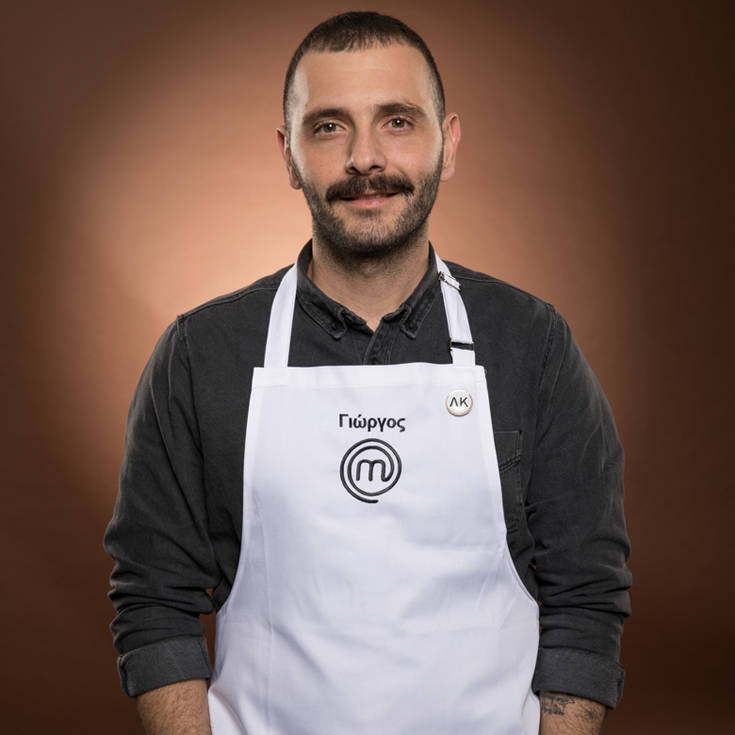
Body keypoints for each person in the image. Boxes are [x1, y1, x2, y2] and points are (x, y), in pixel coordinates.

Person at [104, 11, 631, 735]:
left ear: (447, 143)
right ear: (289, 155)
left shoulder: (532, 344)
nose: (364, 158)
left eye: (397, 121)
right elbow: (153, 600)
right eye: (328, 127)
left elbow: (586, 596)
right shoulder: (201, 353)